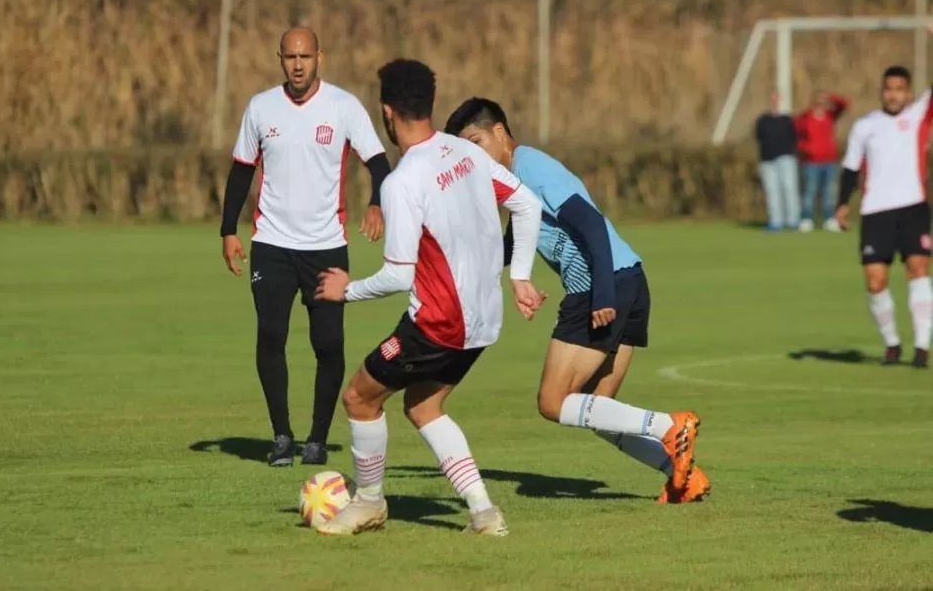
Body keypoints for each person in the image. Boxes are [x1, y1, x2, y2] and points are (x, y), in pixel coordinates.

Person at [313, 59, 544, 537]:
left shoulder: (402, 183)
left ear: (386, 112)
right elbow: (527, 203)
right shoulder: (466, 153)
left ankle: (368, 503)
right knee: (423, 407)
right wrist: (519, 274)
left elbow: (399, 275)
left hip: (439, 325)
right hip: (483, 322)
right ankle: (484, 513)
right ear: (430, 104)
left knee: (358, 398)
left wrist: (345, 291)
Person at [444, 97, 709, 504]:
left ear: (501, 133)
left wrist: (601, 293)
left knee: (553, 402)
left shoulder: (530, 166)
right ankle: (680, 473)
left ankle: (669, 425)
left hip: (603, 286)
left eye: (475, 142)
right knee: (597, 410)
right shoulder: (516, 180)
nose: (471, 155)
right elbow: (515, 240)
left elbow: (589, 223)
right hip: (630, 280)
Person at [219, 27, 392, 467]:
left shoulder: (343, 106)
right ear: (279, 58)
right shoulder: (260, 107)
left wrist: (376, 204)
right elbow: (241, 171)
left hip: (326, 247)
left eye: (306, 56)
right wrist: (228, 230)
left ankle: (316, 438)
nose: (298, 64)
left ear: (320, 57)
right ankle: (281, 436)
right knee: (271, 336)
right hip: (272, 245)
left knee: (329, 344)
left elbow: (379, 164)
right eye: (290, 57)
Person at [835, 65, 933, 368]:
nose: (893, 94)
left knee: (918, 269)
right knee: (875, 281)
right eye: (888, 88)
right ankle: (891, 343)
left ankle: (921, 346)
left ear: (909, 93)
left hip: (913, 208)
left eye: (899, 89)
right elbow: (851, 167)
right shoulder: (865, 126)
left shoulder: (918, 115)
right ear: (882, 91)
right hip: (875, 213)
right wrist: (842, 203)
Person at [795, 91, 849, 232]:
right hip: (811, 162)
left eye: (823, 102)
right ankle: (806, 219)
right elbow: (796, 137)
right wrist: (806, 149)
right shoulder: (805, 118)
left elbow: (844, 104)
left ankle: (829, 219)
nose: (821, 104)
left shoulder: (830, 116)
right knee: (810, 191)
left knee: (829, 192)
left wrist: (831, 96)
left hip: (830, 161)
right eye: (818, 101)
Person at [754, 91, 801, 231]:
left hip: (786, 158)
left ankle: (793, 221)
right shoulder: (762, 120)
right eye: (773, 98)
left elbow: (794, 138)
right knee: (771, 191)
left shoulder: (788, 120)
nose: (775, 101)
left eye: (777, 98)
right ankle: (775, 221)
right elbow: (758, 137)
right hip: (767, 160)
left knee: (789, 188)